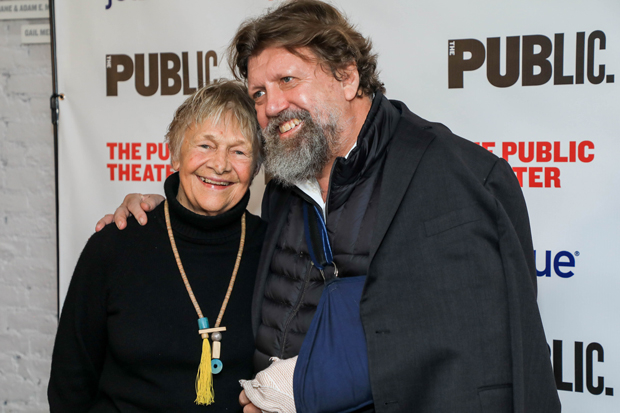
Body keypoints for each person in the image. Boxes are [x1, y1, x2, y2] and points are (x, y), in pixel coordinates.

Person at [98, 1, 561, 411]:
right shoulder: (283, 179)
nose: (272, 105)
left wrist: (306, 390)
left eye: (287, 80)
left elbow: (473, 352)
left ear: (347, 76)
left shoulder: (453, 176)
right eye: (258, 93)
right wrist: (166, 211)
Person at [49, 80, 267, 412]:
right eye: (205, 145)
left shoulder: (273, 249)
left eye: (238, 151)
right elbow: (70, 384)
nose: (220, 164)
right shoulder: (114, 246)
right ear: (174, 154)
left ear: (254, 169)